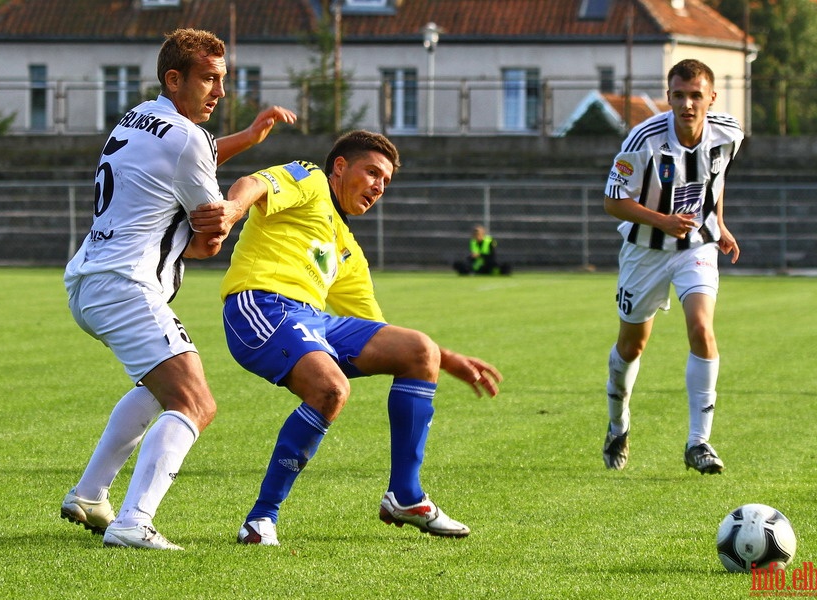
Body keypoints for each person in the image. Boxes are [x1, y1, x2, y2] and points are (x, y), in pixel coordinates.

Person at [60, 28, 297, 550]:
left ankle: (89, 494)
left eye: (223, 80)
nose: (221, 92)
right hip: (125, 285)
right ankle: (131, 523)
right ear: (175, 79)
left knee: (158, 388)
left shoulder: (141, 115)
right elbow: (210, 237)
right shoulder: (188, 139)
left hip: (89, 276)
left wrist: (250, 138)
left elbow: (193, 153)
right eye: (210, 79)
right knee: (195, 402)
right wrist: (229, 216)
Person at [211, 129, 503, 546]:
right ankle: (260, 520)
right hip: (260, 305)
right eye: (372, 173)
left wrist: (448, 359)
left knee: (416, 349)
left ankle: (405, 495)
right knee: (331, 389)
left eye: (385, 181)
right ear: (341, 167)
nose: (379, 187)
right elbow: (255, 184)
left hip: (312, 320)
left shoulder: (346, 247)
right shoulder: (310, 178)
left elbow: (379, 330)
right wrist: (232, 209)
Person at [600, 59, 743, 475]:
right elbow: (612, 202)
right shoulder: (642, 139)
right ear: (669, 96)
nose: (687, 104)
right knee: (632, 347)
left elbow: (715, 177)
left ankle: (699, 441)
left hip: (695, 247)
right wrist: (662, 220)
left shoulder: (729, 132)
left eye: (696, 95)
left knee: (702, 328)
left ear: (711, 98)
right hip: (645, 251)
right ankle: (618, 424)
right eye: (678, 95)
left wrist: (720, 222)